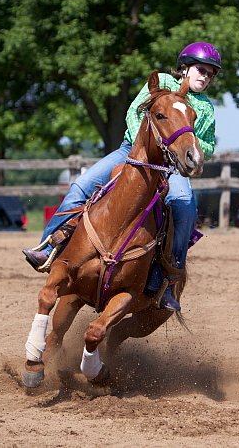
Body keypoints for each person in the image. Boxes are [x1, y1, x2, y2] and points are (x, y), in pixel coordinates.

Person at [23, 41, 221, 311]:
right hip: (132, 152)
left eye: (211, 73)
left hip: (170, 166)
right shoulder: (162, 81)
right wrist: (144, 145)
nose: (205, 76)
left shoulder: (206, 109)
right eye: (201, 69)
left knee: (185, 206)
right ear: (184, 67)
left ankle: (167, 278)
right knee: (81, 185)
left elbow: (208, 146)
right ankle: (49, 247)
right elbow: (134, 113)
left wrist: (190, 140)